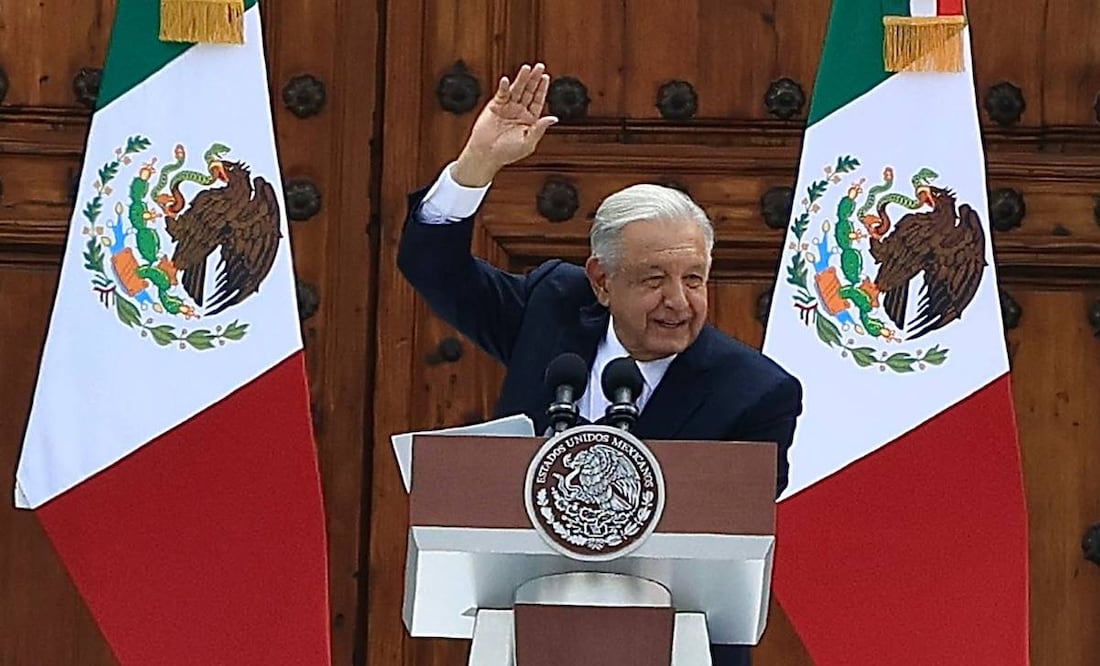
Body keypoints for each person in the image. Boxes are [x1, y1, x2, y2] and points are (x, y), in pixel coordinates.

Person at [397, 62, 803, 666]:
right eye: (653, 279)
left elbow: (731, 536)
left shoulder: (757, 393)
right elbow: (435, 270)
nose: (678, 300)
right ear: (601, 281)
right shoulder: (553, 309)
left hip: (676, 645)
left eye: (694, 279)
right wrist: (476, 166)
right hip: (523, 631)